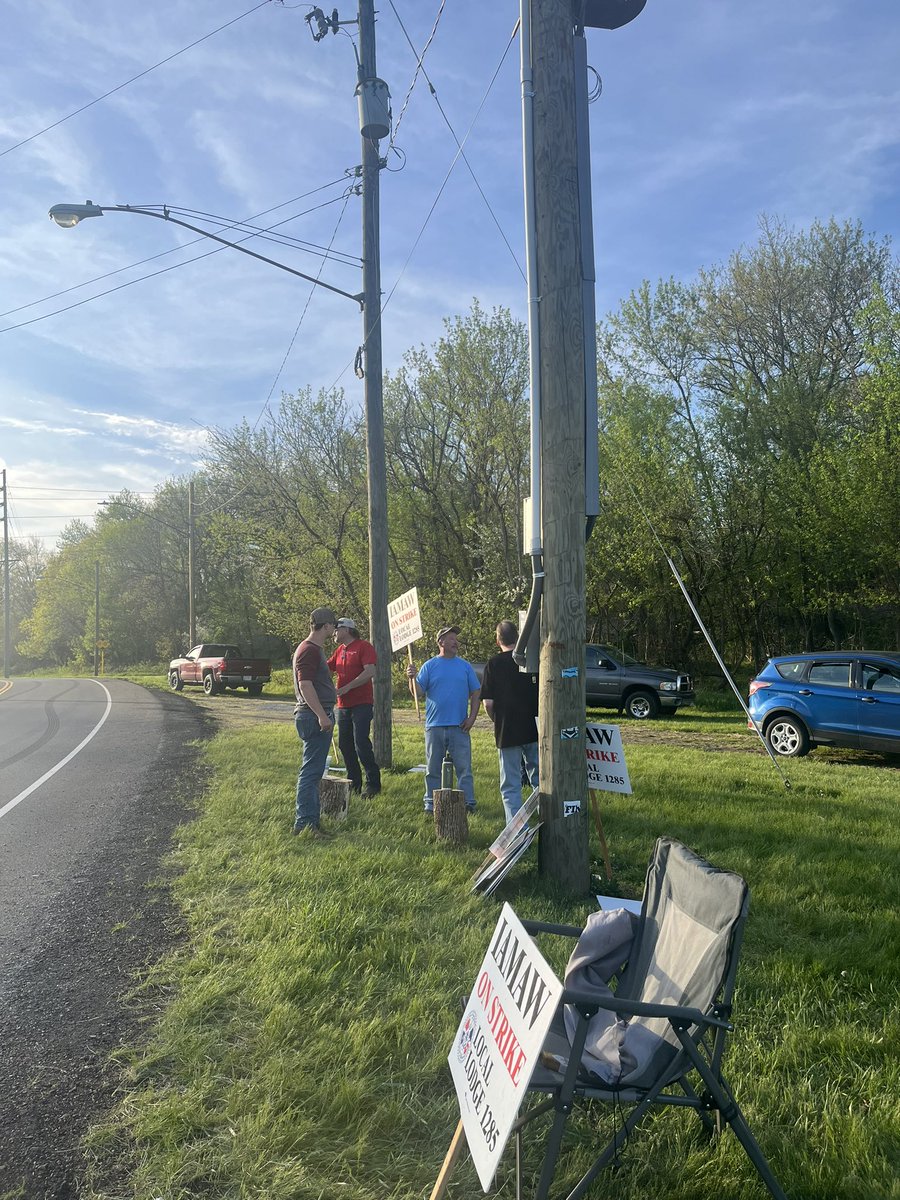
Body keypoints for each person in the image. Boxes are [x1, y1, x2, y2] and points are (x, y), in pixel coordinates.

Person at [407, 625, 481, 814]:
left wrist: (472, 717)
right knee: (432, 769)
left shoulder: (464, 666)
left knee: (464, 768)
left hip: (459, 726)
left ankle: (468, 803)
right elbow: (419, 692)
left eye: (456, 639)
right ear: (441, 642)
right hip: (434, 726)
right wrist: (412, 678)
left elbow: (476, 692)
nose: (455, 642)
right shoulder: (430, 665)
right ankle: (430, 804)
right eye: (451, 639)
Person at [479, 620, 539, 823]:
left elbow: (487, 703)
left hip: (507, 730)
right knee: (540, 779)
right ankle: (546, 820)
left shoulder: (493, 664)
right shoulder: (531, 661)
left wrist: (496, 720)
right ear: (518, 636)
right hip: (534, 728)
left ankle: (516, 831)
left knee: (511, 784)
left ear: (498, 640)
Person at [292, 606, 338, 837]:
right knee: (311, 773)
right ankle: (305, 825)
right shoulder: (309, 649)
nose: (334, 631)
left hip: (313, 713)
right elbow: (305, 684)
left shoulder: (310, 648)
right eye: (333, 626)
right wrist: (321, 714)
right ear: (326, 626)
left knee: (313, 771)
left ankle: (311, 822)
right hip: (313, 715)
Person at [327, 617, 381, 797]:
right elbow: (326, 668)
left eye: (337, 629)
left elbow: (370, 671)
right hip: (343, 705)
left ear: (347, 630)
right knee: (345, 744)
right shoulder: (339, 650)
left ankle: (373, 784)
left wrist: (348, 686)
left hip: (362, 703)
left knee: (361, 743)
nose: (334, 632)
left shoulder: (363, 647)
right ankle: (354, 783)